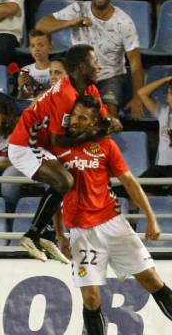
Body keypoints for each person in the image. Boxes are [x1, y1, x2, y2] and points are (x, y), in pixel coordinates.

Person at [53, 95, 172, 335]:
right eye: (74, 116)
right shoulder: (58, 148)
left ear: (94, 121)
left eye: (83, 118)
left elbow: (129, 182)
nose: (75, 121)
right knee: (91, 297)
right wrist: (60, 234)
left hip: (113, 224)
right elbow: (53, 193)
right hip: (81, 231)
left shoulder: (106, 146)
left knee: (153, 280)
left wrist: (151, 218)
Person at [8, 44, 116, 263]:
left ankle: (48, 235)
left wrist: (110, 124)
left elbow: (106, 120)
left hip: (43, 145)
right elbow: (60, 139)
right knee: (65, 181)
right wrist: (94, 133)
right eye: (95, 63)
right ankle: (32, 235)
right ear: (82, 67)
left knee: (65, 182)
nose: (99, 66)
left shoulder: (89, 89)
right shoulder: (66, 94)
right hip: (25, 144)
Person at [36, 0, 144, 120]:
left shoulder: (124, 22)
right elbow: (41, 26)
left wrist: (138, 98)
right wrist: (71, 23)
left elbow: (136, 63)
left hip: (109, 77)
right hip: (80, 76)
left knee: (109, 115)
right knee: (64, 111)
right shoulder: (78, 9)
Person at [0, 57, 67, 208]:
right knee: (9, 178)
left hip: (58, 156)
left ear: (69, 75)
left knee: (54, 182)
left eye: (58, 72)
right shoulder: (41, 97)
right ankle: (9, 217)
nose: (54, 76)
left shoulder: (72, 99)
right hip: (33, 152)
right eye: (51, 73)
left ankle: (56, 225)